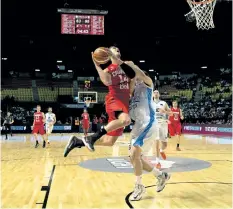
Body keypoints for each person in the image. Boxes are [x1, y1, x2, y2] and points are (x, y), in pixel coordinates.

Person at [63, 46, 138, 157]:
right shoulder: (108, 69)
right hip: (114, 100)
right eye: (114, 49)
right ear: (107, 53)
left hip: (125, 103)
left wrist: (132, 90)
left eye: (118, 49)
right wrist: (97, 65)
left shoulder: (127, 64)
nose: (117, 50)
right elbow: (107, 82)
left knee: (109, 142)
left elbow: (132, 79)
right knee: (126, 120)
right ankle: (90, 137)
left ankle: (77, 141)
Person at [128, 66, 170, 201]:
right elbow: (130, 85)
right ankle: (160, 175)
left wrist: (132, 67)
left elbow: (140, 75)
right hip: (137, 126)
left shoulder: (148, 84)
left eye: (138, 76)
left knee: (135, 154)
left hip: (148, 124)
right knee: (134, 159)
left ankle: (139, 186)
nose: (136, 78)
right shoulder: (134, 92)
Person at [153, 90, 172, 169]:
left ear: (159, 94)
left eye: (157, 92)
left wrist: (165, 111)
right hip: (155, 124)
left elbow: (170, 113)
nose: (156, 93)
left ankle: (161, 150)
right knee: (156, 141)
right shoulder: (149, 103)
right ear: (153, 95)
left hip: (163, 124)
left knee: (165, 144)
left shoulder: (164, 103)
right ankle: (157, 161)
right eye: (154, 92)